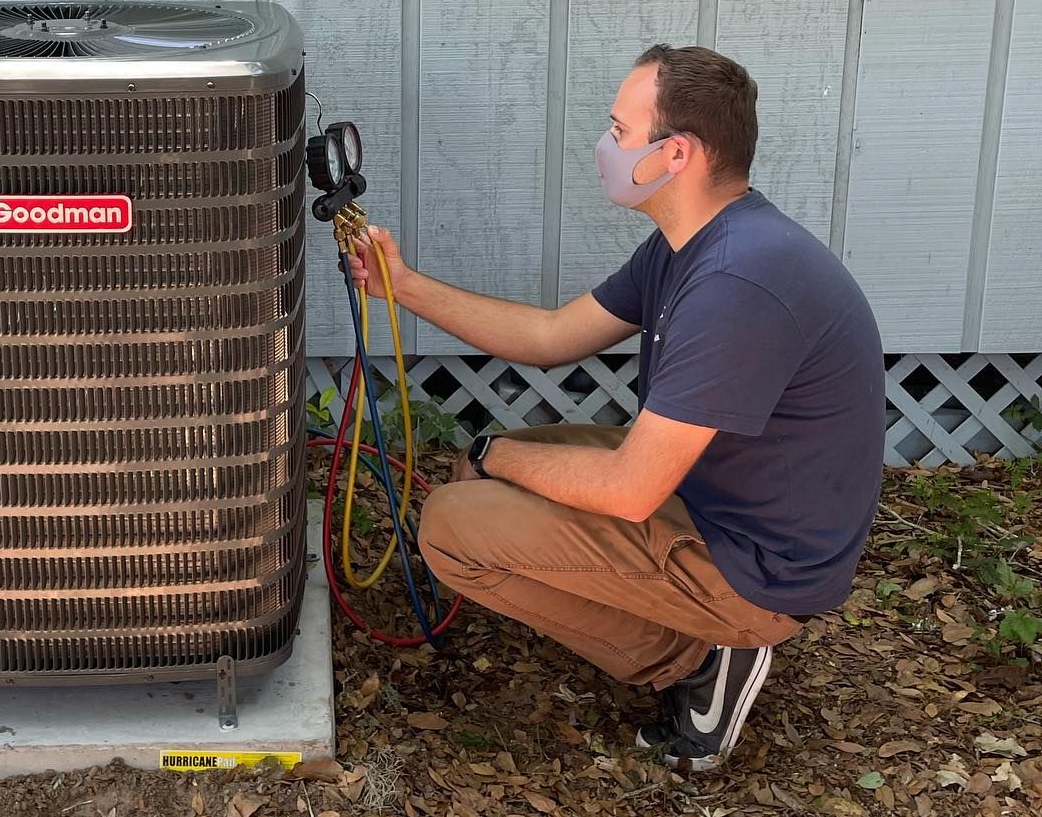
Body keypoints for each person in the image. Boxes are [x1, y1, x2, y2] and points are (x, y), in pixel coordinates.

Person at [349, 45, 885, 771]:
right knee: (486, 480)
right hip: (715, 499)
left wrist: (494, 455)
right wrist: (403, 287)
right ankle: (692, 634)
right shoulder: (692, 245)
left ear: (677, 154)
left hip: (757, 565)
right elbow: (549, 337)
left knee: (449, 527)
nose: (604, 146)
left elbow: (632, 491)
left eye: (620, 130)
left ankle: (698, 661)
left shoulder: (738, 283)